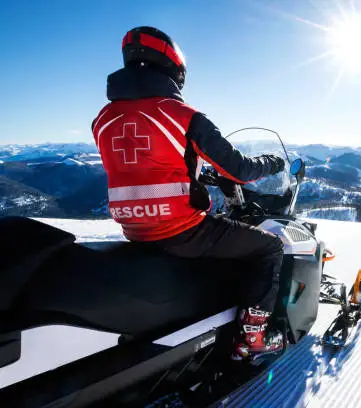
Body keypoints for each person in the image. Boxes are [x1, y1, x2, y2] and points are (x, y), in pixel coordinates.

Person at [92, 26, 286, 360]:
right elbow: (238, 168)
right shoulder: (183, 116)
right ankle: (251, 338)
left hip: (136, 232)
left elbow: (151, 165)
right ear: (174, 68)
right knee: (269, 248)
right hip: (181, 231)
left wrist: (201, 179)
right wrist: (271, 163)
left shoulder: (103, 119)